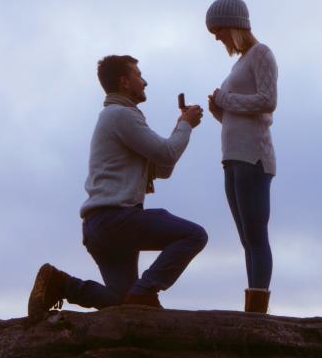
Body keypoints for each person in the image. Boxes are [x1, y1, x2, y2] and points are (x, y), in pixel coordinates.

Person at [27, 55, 207, 318]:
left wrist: (181, 129)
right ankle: (147, 289)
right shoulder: (122, 116)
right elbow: (167, 155)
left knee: (126, 306)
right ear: (124, 82)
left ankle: (62, 284)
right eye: (138, 75)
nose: (144, 82)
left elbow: (163, 167)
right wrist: (185, 125)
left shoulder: (117, 117)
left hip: (98, 226)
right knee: (194, 235)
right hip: (116, 219)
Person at [206, 0, 278, 314]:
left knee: (255, 233)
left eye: (218, 30)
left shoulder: (261, 54)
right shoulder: (239, 64)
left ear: (233, 26)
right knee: (245, 237)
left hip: (254, 157)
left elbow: (268, 101)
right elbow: (240, 117)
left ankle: (258, 307)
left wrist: (226, 100)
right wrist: (219, 111)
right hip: (233, 157)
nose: (216, 37)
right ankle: (253, 303)